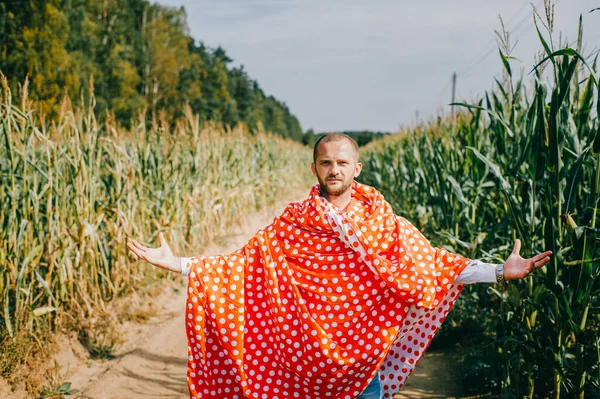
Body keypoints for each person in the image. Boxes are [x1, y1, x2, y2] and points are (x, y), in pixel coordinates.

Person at [128, 133, 552, 399]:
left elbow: (437, 266)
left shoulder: (385, 225)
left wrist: (498, 271)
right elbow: (241, 268)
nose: (334, 169)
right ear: (315, 168)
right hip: (299, 370)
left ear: (357, 168)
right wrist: (179, 264)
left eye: (342, 162)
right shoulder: (292, 223)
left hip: (362, 365)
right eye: (326, 162)